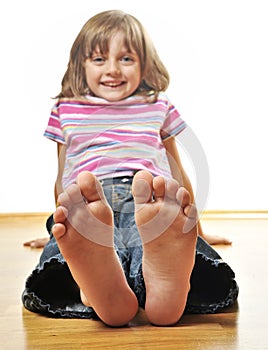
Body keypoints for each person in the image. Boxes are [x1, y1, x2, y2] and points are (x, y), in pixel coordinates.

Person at [22, 10, 238, 327]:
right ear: (79, 65)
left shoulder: (157, 105)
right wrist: (60, 225)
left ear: (144, 64)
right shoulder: (66, 108)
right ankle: (129, 288)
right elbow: (64, 173)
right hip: (92, 200)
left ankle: (125, 289)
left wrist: (193, 228)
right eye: (98, 59)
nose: (112, 70)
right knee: (93, 241)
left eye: (125, 59)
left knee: (157, 234)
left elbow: (176, 171)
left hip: (150, 199)